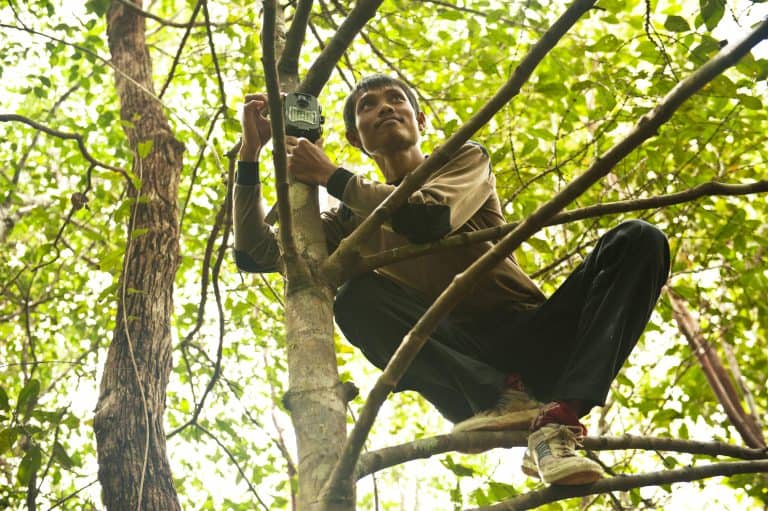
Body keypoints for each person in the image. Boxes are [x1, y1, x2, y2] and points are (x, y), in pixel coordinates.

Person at [233, 74, 670, 486]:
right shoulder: (352, 218)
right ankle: (504, 400)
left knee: (638, 239)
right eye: (368, 105)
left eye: (397, 99)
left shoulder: (462, 159)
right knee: (355, 298)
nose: (385, 108)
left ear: (420, 120)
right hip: (463, 364)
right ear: (354, 138)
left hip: (532, 334)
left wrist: (332, 176)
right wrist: (249, 155)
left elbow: (428, 218)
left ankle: (559, 420)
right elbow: (258, 254)